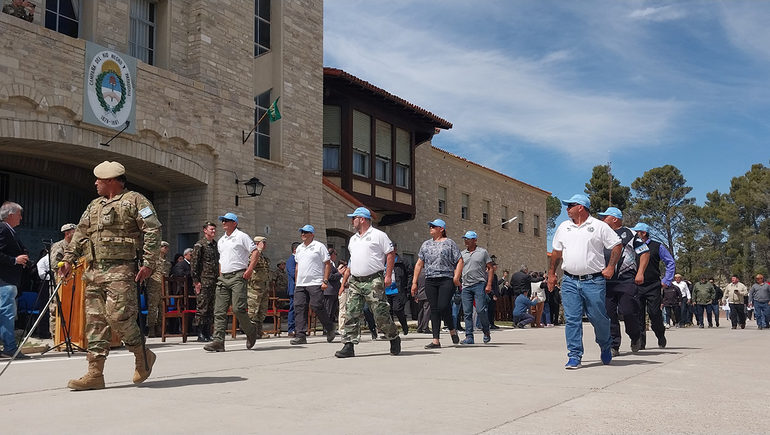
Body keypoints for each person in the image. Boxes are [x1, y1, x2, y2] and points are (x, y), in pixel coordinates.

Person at [58, 161, 161, 389]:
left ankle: (142, 355)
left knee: (118, 317)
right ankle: (95, 374)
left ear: (112, 181)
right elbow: (80, 235)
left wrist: (149, 263)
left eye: (99, 180)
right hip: (93, 272)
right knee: (95, 323)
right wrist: (67, 259)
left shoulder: (136, 200)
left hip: (122, 271)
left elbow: (153, 229)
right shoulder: (94, 205)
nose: (95, 183)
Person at [548, 194, 621, 370]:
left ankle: (605, 344)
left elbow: (617, 245)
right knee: (572, 319)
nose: (567, 209)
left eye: (570, 205)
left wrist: (611, 266)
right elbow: (557, 252)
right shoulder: (564, 227)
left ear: (581, 207)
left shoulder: (599, 226)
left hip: (594, 281)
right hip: (569, 280)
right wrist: (551, 273)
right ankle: (574, 355)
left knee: (598, 318)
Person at [335, 207, 401, 358]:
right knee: (351, 312)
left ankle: (393, 337)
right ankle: (349, 345)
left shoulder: (379, 235)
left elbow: (390, 254)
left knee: (380, 313)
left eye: (354, 218)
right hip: (355, 281)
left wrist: (388, 275)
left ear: (362, 219)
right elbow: (352, 262)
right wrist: (345, 280)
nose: (352, 221)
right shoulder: (353, 239)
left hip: (374, 279)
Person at [203, 212, 260, 352]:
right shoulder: (222, 240)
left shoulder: (242, 236)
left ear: (234, 223)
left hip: (238, 275)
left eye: (227, 221)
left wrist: (249, 269)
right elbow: (221, 259)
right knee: (219, 311)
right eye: (223, 220)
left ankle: (251, 331)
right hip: (224, 277)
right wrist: (221, 273)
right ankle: (218, 342)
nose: (223, 223)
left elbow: (255, 252)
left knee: (238, 309)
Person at [598, 207, 649, 356]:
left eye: (605, 217)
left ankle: (635, 336)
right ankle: (614, 345)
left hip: (626, 279)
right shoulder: (600, 234)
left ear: (614, 218)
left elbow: (644, 252)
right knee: (608, 314)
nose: (602, 220)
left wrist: (640, 273)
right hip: (605, 281)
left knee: (628, 310)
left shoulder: (630, 234)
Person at [410, 218, 462, 349]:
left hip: (446, 278)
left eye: (433, 226)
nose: (431, 228)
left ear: (441, 229)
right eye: (430, 226)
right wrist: (414, 282)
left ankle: (452, 329)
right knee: (434, 309)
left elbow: (460, 260)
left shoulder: (450, 243)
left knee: (443, 306)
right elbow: (419, 263)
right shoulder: (426, 244)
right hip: (430, 279)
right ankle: (436, 340)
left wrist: (456, 277)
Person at [630, 222, 675, 349]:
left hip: (653, 284)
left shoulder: (657, 246)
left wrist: (666, 280)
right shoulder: (632, 246)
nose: (634, 234)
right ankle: (640, 341)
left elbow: (670, 262)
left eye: (636, 232)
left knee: (654, 312)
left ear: (643, 233)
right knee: (638, 313)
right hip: (636, 285)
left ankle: (660, 334)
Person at [292, 224, 335, 345]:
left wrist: (325, 280)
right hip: (301, 283)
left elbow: (327, 264)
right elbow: (297, 266)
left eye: (306, 232)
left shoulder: (319, 246)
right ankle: (300, 335)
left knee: (317, 306)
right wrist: (296, 282)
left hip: (315, 282)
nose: (303, 234)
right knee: (299, 307)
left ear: (312, 234)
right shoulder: (299, 248)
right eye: (302, 232)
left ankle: (330, 326)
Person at [0, 201, 30, 359]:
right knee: (7, 314)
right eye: (19, 214)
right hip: (4, 280)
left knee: (4, 313)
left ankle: (8, 346)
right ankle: (10, 347)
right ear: (10, 215)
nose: (21, 217)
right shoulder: (2, 229)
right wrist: (14, 260)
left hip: (8, 281)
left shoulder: (10, 231)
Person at [457, 231, 493, 344]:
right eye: (465, 239)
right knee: (467, 312)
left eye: (468, 239)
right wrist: (456, 279)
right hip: (466, 286)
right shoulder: (462, 254)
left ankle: (486, 331)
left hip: (479, 284)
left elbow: (490, 268)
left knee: (480, 309)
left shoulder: (482, 252)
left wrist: (489, 284)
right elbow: (458, 267)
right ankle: (469, 337)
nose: (466, 241)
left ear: (475, 240)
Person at [47, 223, 76, 338]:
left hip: (73, 284)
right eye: (74, 232)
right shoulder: (59, 246)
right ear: (67, 233)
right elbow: (54, 265)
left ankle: (70, 336)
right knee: (55, 310)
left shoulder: (75, 248)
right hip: (59, 283)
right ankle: (56, 336)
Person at [191, 221, 218, 342]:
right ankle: (200, 332)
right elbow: (194, 264)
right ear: (205, 230)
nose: (213, 231)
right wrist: (196, 281)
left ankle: (208, 331)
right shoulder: (200, 245)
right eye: (211, 229)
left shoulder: (215, 245)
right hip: (203, 280)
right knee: (202, 307)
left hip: (214, 280)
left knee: (211, 307)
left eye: (214, 229)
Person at [247, 236, 271, 339]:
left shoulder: (263, 257)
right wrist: (258, 250)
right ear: (257, 243)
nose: (264, 245)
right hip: (254, 288)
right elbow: (251, 262)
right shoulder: (252, 254)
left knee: (262, 311)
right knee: (253, 311)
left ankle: (259, 331)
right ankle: (251, 332)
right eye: (262, 243)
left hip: (263, 287)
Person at [144, 240, 170, 337]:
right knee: (152, 308)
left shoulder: (167, 262)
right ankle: (151, 329)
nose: (166, 249)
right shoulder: (154, 261)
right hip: (154, 286)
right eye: (164, 246)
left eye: (167, 247)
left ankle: (161, 328)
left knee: (163, 308)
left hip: (164, 287)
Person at [388, 243, 411, 336]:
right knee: (387, 311)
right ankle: (391, 332)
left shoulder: (402, 261)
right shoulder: (383, 261)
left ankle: (404, 325)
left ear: (395, 250)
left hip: (397, 289)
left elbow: (410, 274)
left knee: (397, 309)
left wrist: (408, 286)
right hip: (386, 290)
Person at [324, 247, 342, 334]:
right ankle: (326, 328)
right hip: (329, 290)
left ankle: (330, 328)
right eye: (335, 254)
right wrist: (340, 273)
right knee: (328, 310)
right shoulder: (328, 264)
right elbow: (330, 276)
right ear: (331, 255)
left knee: (333, 310)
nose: (336, 256)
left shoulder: (333, 264)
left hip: (334, 291)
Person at [285, 241, 300, 337]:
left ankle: (299, 328)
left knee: (300, 309)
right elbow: (293, 273)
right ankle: (291, 329)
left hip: (299, 287)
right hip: (293, 287)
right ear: (295, 249)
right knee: (293, 309)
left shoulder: (299, 260)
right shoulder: (291, 260)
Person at [414, 268, 430, 333]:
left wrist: (415, 295)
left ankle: (420, 327)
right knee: (427, 311)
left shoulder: (419, 272)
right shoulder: (429, 272)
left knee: (420, 311)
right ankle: (425, 327)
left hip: (419, 293)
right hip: (428, 293)